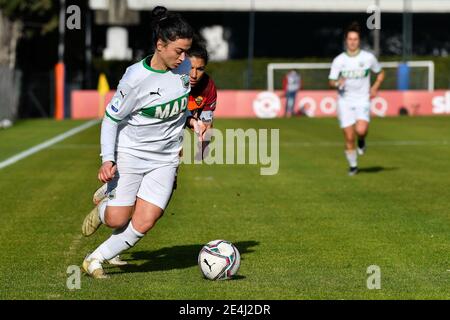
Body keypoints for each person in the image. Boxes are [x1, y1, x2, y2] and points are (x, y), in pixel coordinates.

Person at [80, 6, 201, 279]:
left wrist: (195, 121)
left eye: (187, 51)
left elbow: (185, 104)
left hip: (166, 158)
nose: (185, 58)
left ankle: (94, 259)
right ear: (160, 45)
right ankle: (104, 208)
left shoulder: (184, 69)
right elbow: (111, 119)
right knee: (117, 219)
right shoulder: (135, 78)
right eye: (179, 51)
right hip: (130, 154)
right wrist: (107, 160)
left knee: (146, 220)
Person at [328, 22, 385, 176]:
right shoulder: (339, 60)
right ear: (346, 41)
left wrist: (375, 87)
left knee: (361, 129)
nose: (353, 42)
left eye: (355, 39)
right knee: (348, 136)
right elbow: (331, 81)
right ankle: (353, 166)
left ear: (359, 41)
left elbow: (380, 73)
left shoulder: (368, 58)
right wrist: (337, 82)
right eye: (350, 39)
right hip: (345, 101)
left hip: (362, 100)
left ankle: (362, 140)